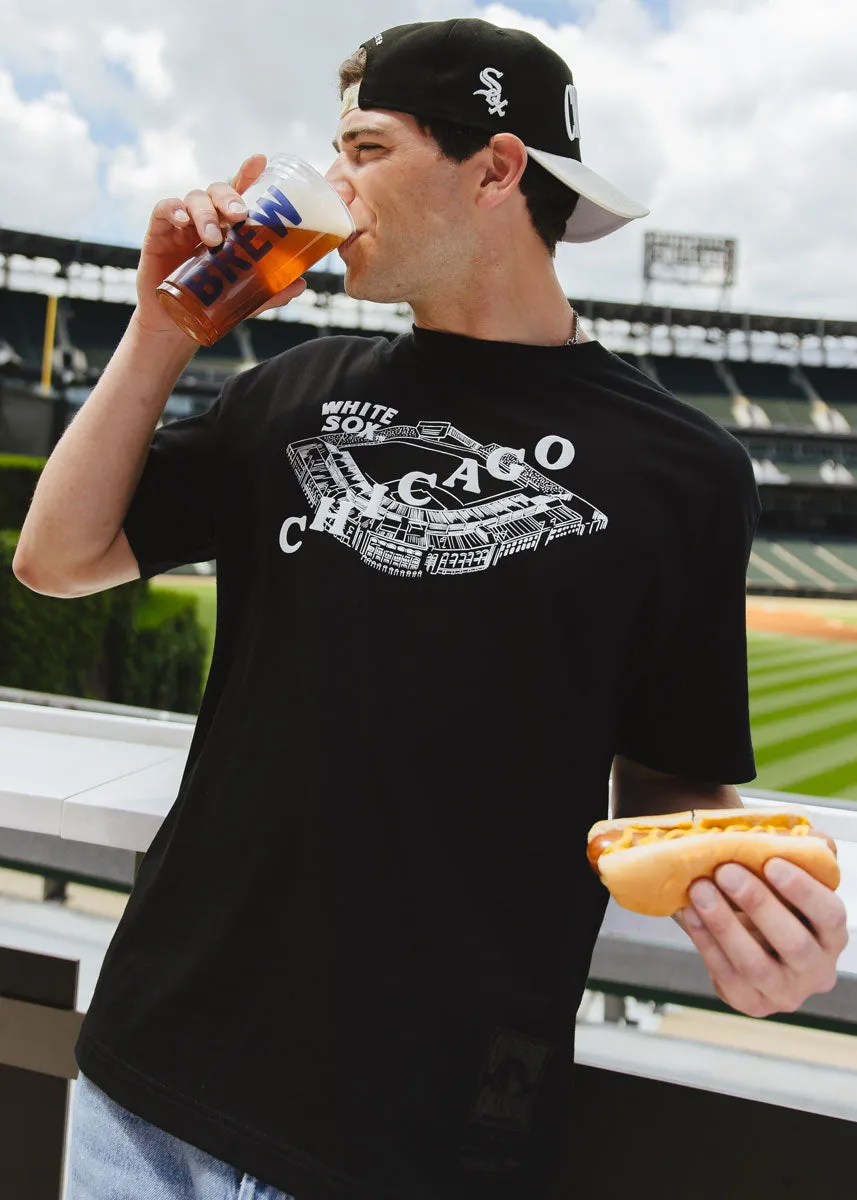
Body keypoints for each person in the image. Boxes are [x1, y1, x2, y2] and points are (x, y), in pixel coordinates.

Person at [14, 17, 848, 1200]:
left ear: (495, 170)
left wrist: (752, 909)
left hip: (423, 1135)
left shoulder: (683, 470)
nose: (333, 187)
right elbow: (57, 558)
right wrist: (162, 323)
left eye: (365, 146)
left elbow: (670, 789)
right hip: (149, 1081)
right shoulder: (288, 392)